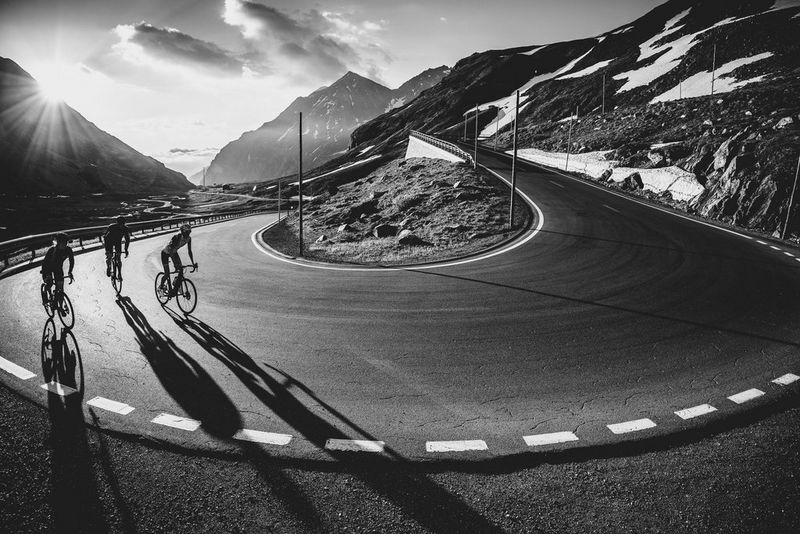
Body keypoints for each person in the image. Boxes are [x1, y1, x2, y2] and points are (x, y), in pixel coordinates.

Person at [160, 223, 195, 295]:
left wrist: (193, 263)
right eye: (187, 232)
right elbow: (170, 250)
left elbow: (189, 251)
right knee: (166, 274)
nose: (188, 234)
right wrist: (175, 264)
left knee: (181, 270)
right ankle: (161, 287)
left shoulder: (189, 238)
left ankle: (175, 287)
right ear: (183, 232)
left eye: (189, 232)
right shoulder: (177, 237)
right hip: (165, 253)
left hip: (174, 252)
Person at [41, 232, 74, 302]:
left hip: (58, 268)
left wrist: (70, 272)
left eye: (66, 243)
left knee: (60, 288)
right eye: (63, 243)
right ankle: (44, 293)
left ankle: (60, 307)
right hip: (47, 268)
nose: (65, 244)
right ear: (58, 243)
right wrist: (47, 275)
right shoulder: (52, 251)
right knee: (49, 284)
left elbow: (72, 261)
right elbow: (45, 264)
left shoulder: (68, 250)